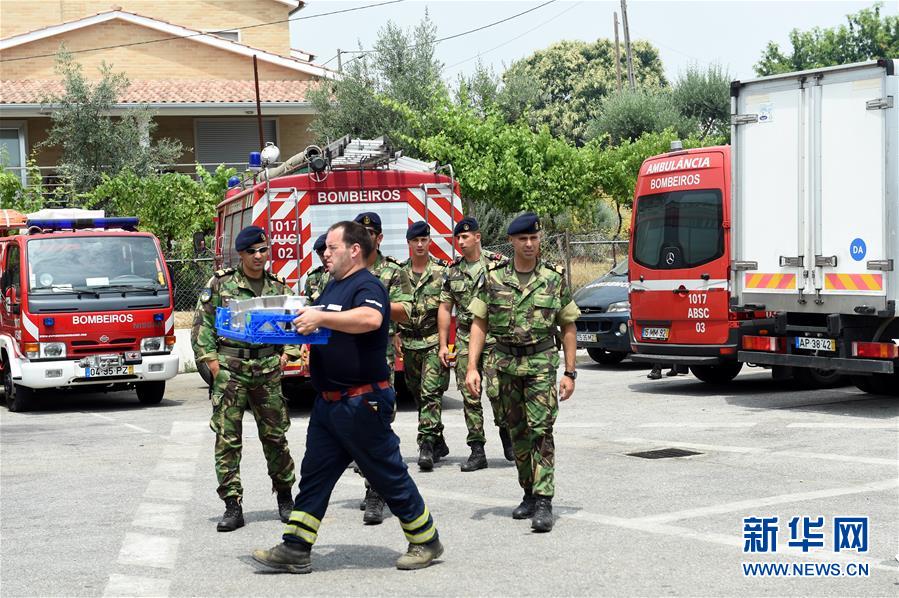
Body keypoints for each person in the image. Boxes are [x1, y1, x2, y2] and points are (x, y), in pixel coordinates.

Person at [252, 220, 444, 573]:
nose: (325, 253)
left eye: (332, 247)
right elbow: (325, 327)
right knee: (315, 474)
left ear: (355, 250)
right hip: (329, 402)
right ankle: (295, 547)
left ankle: (425, 539)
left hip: (362, 402)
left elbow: (371, 319)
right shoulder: (331, 287)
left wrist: (320, 316)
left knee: (386, 472)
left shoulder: (366, 284)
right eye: (324, 248)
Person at [464, 212, 579, 533]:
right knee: (516, 432)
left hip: (541, 362)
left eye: (534, 238)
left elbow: (568, 325)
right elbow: (479, 323)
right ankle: (528, 492)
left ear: (540, 239)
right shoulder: (493, 277)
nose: (529, 244)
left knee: (541, 430)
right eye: (523, 239)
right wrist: (472, 367)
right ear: (512, 241)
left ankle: (544, 500)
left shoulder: (554, 278)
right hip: (504, 365)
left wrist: (570, 372)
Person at [191, 226, 299, 532]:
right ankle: (232, 505)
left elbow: (296, 320)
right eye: (252, 251)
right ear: (241, 254)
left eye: (263, 250)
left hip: (267, 368)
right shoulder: (221, 283)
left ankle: (285, 497)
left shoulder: (278, 286)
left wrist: (288, 354)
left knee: (276, 436)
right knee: (227, 439)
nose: (258, 256)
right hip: (231, 369)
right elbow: (203, 326)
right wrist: (213, 365)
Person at [353, 212, 430, 525]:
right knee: (353, 426)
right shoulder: (345, 270)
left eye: (371, 233)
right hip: (347, 360)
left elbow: (406, 311)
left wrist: (373, 300)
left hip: (376, 359)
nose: (366, 237)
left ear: (380, 238)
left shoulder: (392, 272)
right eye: (361, 232)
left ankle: (376, 493)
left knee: (377, 425)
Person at [438, 216, 514, 471]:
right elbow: (445, 307)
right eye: (457, 238)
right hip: (464, 339)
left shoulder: (498, 265)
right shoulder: (453, 270)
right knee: (469, 395)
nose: (460, 242)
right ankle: (477, 449)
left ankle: (507, 433)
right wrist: (442, 344)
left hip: (493, 339)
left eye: (465, 237)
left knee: (497, 391)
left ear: (477, 237)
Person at [397, 221, 451, 471]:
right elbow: (395, 307)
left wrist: (444, 344)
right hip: (408, 343)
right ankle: (438, 440)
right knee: (418, 395)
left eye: (424, 240)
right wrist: (395, 334)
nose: (420, 244)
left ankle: (426, 445)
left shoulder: (441, 272)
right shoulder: (399, 273)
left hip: (431, 342)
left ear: (429, 242)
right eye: (415, 241)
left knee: (431, 393)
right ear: (408, 243)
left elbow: (445, 309)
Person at [303, 233, 329, 303]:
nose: (325, 257)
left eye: (329, 253)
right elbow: (308, 302)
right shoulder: (313, 277)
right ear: (317, 253)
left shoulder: (343, 273)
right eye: (321, 254)